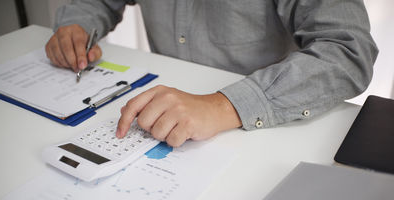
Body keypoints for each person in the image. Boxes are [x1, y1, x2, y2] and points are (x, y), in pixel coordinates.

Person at [46, 0, 378, 147]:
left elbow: (348, 50)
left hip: (267, 127)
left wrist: (223, 106)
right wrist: (77, 23)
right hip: (164, 111)